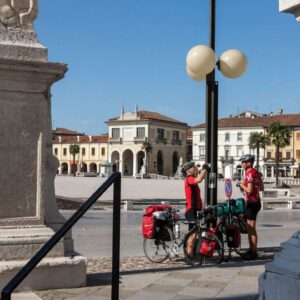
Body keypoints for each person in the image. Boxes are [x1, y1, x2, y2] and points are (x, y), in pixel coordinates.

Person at [237, 154, 264, 260]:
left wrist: (240, 185)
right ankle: (252, 250)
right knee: (251, 228)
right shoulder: (256, 173)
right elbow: (261, 188)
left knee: (251, 228)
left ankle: (252, 252)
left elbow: (249, 190)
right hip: (257, 202)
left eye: (243, 162)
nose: (241, 164)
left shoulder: (249, 174)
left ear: (248, 163)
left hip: (252, 203)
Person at [181, 161, 209, 256]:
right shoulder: (189, 179)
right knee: (193, 234)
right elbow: (199, 179)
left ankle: (191, 252)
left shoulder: (192, 178)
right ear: (189, 170)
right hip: (191, 209)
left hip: (195, 209)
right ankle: (188, 255)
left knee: (195, 233)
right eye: (194, 167)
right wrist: (205, 168)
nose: (195, 168)